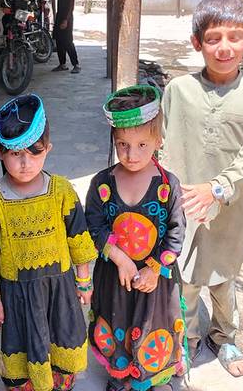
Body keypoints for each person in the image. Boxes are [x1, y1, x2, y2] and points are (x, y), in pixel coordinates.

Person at [160, 0, 243, 378]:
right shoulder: (177, 90)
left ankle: (224, 337)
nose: (224, 47)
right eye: (213, 38)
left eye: (233, 36)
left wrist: (219, 188)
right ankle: (188, 340)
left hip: (231, 208)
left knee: (223, 278)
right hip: (183, 204)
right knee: (187, 279)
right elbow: (160, 144)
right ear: (197, 43)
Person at [0, 94, 97, 391]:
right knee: (19, 350)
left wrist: (84, 282)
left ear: (48, 149)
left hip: (60, 291)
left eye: (35, 151)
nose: (26, 162)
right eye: (15, 153)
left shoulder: (63, 191)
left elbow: (78, 238)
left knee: (61, 343)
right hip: (15, 296)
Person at [85, 85, 187, 391]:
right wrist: (119, 258)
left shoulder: (168, 185)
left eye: (143, 144)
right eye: (123, 145)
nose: (132, 154)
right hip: (114, 278)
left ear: (158, 139)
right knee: (117, 323)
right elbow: (93, 223)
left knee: (153, 325)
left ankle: (154, 376)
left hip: (155, 280)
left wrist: (154, 268)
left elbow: (176, 231)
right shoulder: (102, 183)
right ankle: (121, 376)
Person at [52, 0, 81, 73]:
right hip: (59, 14)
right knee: (59, 40)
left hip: (67, 16)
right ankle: (62, 64)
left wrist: (66, 20)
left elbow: (71, 5)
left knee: (68, 41)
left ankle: (76, 65)